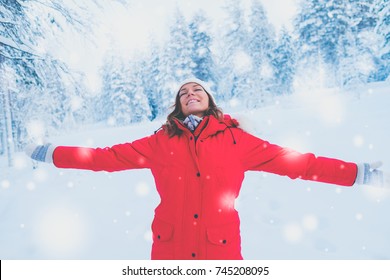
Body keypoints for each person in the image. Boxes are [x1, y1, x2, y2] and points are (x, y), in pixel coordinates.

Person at [26, 78, 387, 260]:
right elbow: (103, 158)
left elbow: (301, 164)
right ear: (178, 106)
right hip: (169, 250)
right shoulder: (159, 142)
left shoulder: (238, 141)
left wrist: (358, 173)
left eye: (197, 89)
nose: (190, 93)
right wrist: (51, 152)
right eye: (184, 92)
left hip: (222, 250)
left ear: (210, 99)